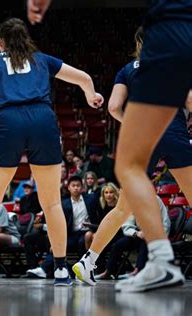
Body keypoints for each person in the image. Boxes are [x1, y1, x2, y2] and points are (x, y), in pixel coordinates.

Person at [0, 18, 103, 286]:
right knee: (51, 202)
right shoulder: (41, 59)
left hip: (8, 121)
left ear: (0, 42)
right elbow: (84, 78)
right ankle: (61, 270)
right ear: (24, 39)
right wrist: (91, 96)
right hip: (42, 119)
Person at [74, 25, 192, 291]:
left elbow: (114, 106)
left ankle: (88, 261)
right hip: (171, 131)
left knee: (122, 209)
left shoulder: (126, 70)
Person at [96, 196, 170, 280]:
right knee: (118, 244)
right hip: (139, 234)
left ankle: (138, 270)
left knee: (145, 241)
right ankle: (108, 271)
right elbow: (127, 224)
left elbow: (165, 223)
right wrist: (136, 233)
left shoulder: (156, 200)